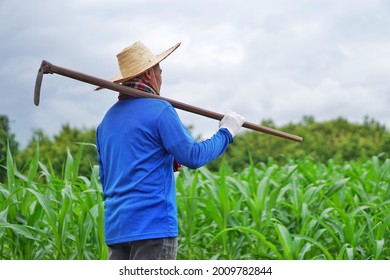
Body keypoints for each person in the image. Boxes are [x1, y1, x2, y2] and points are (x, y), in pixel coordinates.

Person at [96, 41, 245, 260]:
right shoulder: (159, 109)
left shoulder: (106, 122)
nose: (161, 77)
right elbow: (193, 156)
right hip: (153, 227)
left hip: (117, 229)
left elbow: (109, 176)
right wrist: (226, 132)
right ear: (149, 74)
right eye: (160, 71)